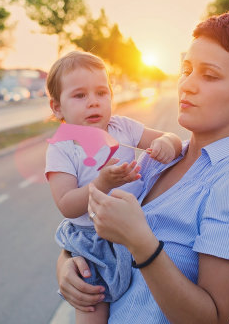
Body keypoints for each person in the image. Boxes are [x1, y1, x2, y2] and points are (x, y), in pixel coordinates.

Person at [57, 10, 229, 323]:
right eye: (187, 69)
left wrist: (142, 244)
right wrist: (68, 263)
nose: (187, 85)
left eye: (209, 75)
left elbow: (212, 318)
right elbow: (103, 236)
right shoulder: (157, 158)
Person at [45, 50, 183, 324]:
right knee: (92, 304)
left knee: (146, 298)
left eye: (101, 92)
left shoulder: (124, 128)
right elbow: (67, 205)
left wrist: (167, 144)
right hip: (91, 243)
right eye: (80, 96)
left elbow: (173, 139)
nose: (93, 103)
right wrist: (102, 183)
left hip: (134, 230)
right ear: (57, 107)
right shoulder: (61, 149)